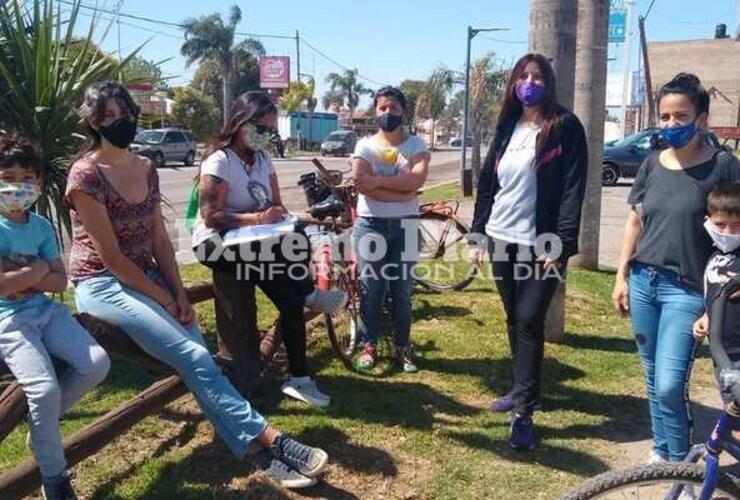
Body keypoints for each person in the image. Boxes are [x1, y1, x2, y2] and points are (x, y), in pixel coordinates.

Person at [65, 81, 328, 489]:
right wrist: (164, 298)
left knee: (197, 360)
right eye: (109, 118)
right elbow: (113, 259)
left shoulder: (145, 168)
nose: (121, 123)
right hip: (101, 283)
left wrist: (178, 293)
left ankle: (259, 453)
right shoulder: (85, 175)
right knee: (194, 356)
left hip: (148, 278)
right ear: (93, 123)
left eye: (126, 114)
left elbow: (160, 243)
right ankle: (272, 441)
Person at [612, 73, 740, 463]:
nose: (671, 124)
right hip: (643, 282)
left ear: (701, 119)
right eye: (664, 117)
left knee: (669, 383)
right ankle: (662, 451)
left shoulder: (723, 167)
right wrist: (621, 276)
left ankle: (681, 465)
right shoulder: (651, 164)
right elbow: (636, 222)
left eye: (680, 116)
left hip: (687, 291)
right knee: (653, 379)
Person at [192, 91, 346, 407]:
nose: (265, 136)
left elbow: (277, 204)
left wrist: (278, 217)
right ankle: (309, 293)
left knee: (291, 289)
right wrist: (260, 218)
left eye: (270, 131)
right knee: (290, 271)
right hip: (216, 244)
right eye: (260, 129)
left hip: (255, 242)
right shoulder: (219, 161)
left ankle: (300, 379)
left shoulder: (263, 160)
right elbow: (211, 216)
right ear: (240, 123)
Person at [469, 53, 587, 450]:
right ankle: (521, 389)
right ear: (514, 84)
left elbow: (573, 189)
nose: (530, 82)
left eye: (537, 76)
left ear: (548, 83)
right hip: (501, 236)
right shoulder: (507, 126)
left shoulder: (565, 126)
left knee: (529, 318)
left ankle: (524, 411)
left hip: (542, 245)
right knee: (513, 318)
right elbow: (488, 183)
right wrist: (477, 234)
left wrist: (562, 244)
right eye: (523, 76)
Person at [0, 134, 110, 500]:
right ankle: (55, 477)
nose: (18, 187)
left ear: (40, 184)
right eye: (9, 177)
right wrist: (36, 272)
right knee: (43, 389)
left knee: (97, 363)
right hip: (9, 322)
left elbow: (60, 280)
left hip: (46, 312)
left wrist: (24, 276)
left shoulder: (41, 227)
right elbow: (3, 289)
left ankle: (42, 426)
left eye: (28, 179)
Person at [351, 86, 430, 373]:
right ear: (376, 111)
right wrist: (402, 193)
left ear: (403, 112)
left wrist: (378, 184)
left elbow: (417, 181)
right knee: (371, 290)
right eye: (383, 108)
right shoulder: (364, 145)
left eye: (394, 108)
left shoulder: (416, 146)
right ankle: (368, 345)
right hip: (370, 225)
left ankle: (402, 347)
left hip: (406, 227)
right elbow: (361, 182)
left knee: (402, 291)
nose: (388, 113)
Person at [693, 183, 740, 412]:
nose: (728, 233)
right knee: (731, 413)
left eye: (737, 226)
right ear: (708, 219)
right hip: (722, 356)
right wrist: (706, 317)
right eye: (720, 225)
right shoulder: (714, 255)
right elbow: (713, 293)